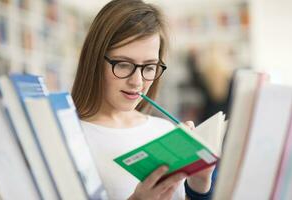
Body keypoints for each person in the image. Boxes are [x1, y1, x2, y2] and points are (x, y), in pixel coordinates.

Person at [71, 0, 216, 199]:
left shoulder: (165, 132)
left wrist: (199, 183)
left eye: (149, 67)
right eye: (123, 64)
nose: (137, 82)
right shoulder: (68, 137)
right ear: (94, 60)